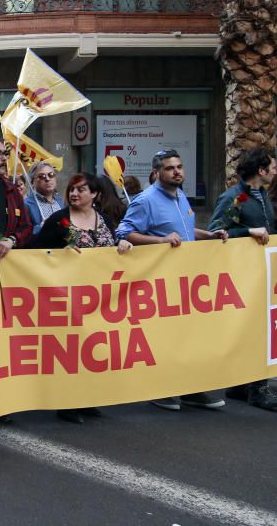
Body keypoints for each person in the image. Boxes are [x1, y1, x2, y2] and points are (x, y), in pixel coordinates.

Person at [116, 148, 228, 412]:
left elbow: (184, 230)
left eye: (179, 167)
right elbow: (123, 232)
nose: (177, 171)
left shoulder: (180, 197)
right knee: (165, 337)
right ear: (156, 173)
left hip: (187, 280)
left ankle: (191, 388)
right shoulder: (145, 200)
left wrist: (208, 235)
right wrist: (160, 240)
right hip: (160, 281)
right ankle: (162, 389)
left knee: (189, 336)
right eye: (170, 168)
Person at [29, 173, 133, 422]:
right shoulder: (59, 220)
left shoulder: (105, 219)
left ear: (95, 194)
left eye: (81, 190)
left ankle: (88, 399)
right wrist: (58, 252)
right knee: (72, 350)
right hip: (68, 297)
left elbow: (114, 245)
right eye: (72, 190)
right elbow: (33, 250)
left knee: (95, 348)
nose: (74, 194)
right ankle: (67, 404)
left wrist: (124, 245)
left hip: (100, 298)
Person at [209, 148, 277, 411]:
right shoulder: (234, 198)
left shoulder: (261, 196)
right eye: (271, 166)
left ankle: (240, 386)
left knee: (261, 327)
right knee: (255, 329)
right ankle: (256, 390)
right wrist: (247, 231)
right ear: (260, 171)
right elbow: (216, 232)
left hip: (261, 275)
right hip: (242, 276)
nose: (274, 170)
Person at [24, 161, 64, 234]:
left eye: (51, 175)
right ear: (32, 182)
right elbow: (22, 233)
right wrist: (40, 227)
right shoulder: (26, 204)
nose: (47, 179)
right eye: (42, 176)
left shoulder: (61, 201)